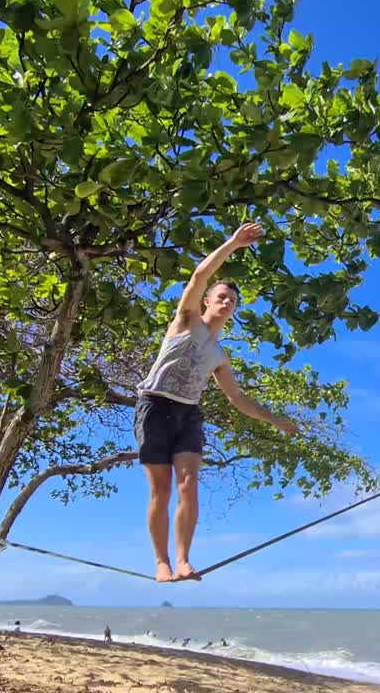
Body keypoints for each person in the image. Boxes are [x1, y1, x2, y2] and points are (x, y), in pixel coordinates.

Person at [135, 222, 299, 582]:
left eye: (233, 301)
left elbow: (237, 397)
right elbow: (199, 274)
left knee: (189, 482)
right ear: (208, 301)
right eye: (221, 296)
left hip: (188, 412)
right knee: (160, 489)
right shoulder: (185, 321)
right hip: (155, 406)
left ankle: (182, 559)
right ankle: (161, 562)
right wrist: (234, 244)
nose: (227, 302)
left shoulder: (220, 356)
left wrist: (276, 421)